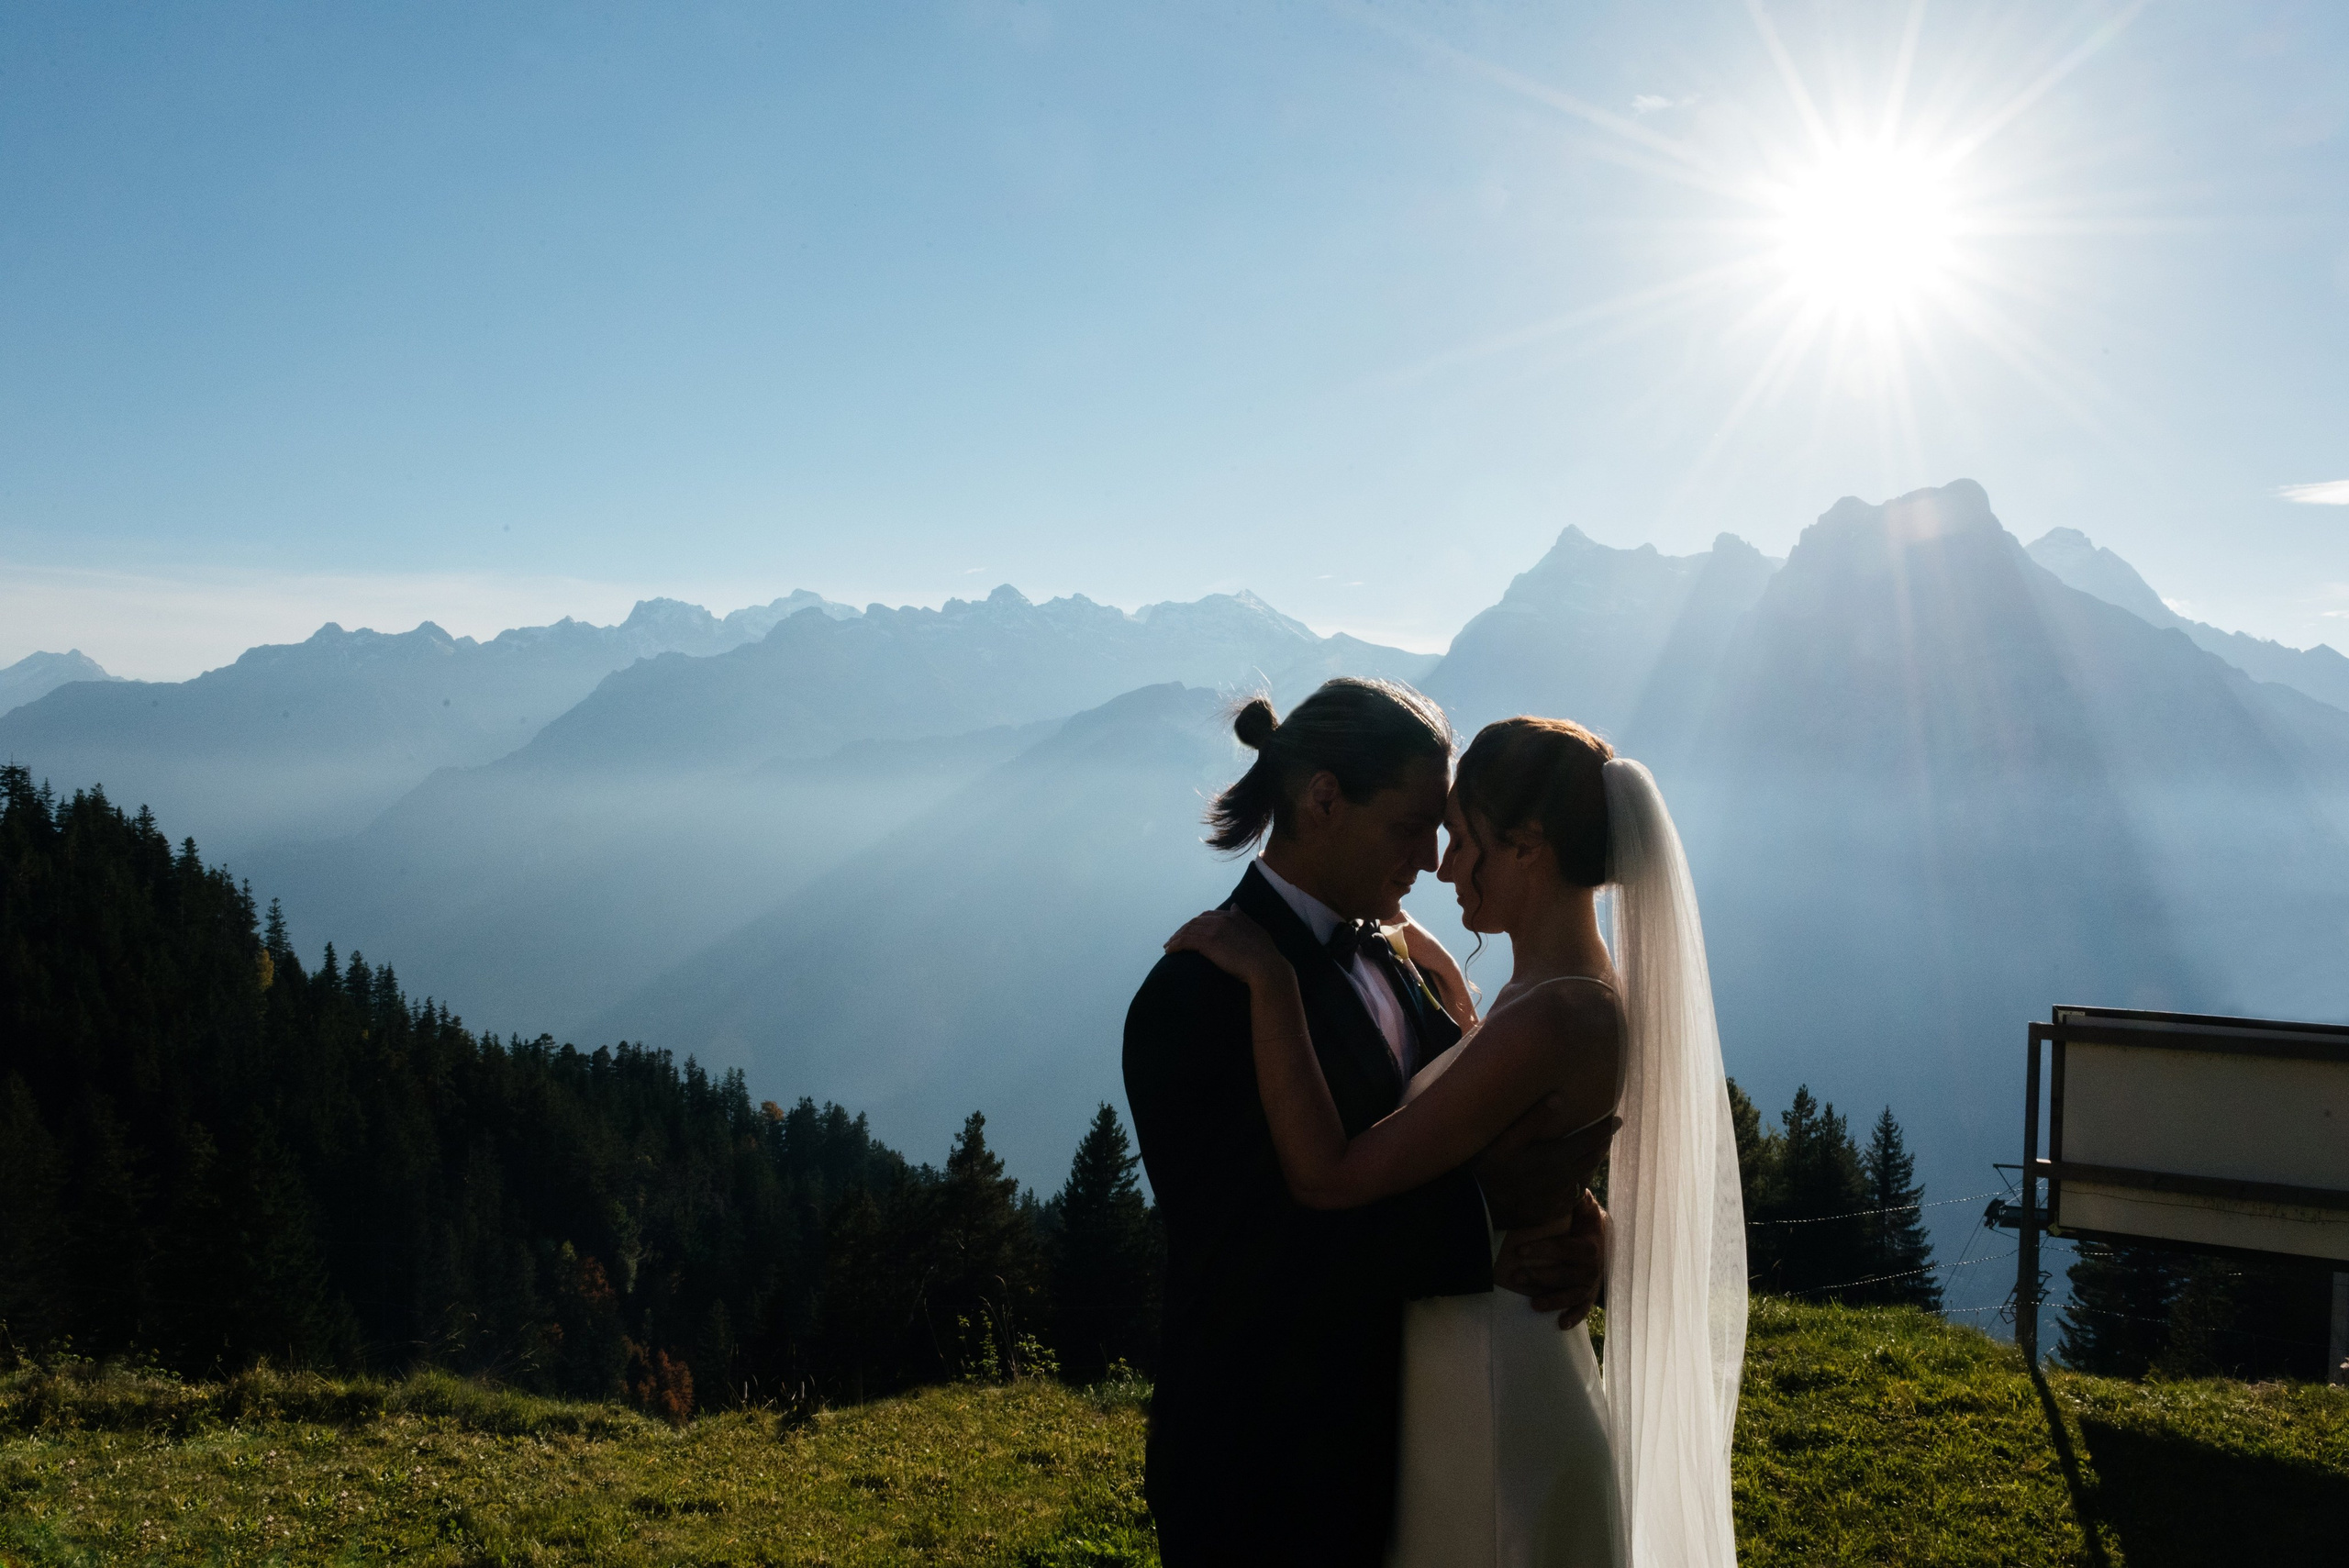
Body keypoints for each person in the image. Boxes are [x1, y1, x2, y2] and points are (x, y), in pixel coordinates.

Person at [1168, 715, 1746, 1568]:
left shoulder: (1558, 1011)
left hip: (1491, 1389)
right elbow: (1500, 1122)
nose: (1440, 864)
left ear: (1529, 847)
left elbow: (1334, 1177)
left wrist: (1271, 982)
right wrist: (1578, 1213)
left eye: (1463, 838)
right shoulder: (1539, 990)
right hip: (1453, 1378)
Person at [1123, 680, 1617, 1568]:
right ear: (1321, 799)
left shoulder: (1396, 958)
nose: (1433, 859)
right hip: (1269, 1477)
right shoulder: (1197, 995)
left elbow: (1468, 1125)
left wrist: (1570, 1216)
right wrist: (1490, 1242)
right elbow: (1246, 1249)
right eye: (1410, 824)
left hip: (1413, 1452)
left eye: (1445, 828)